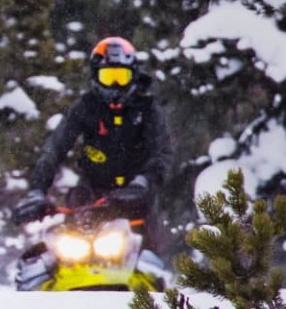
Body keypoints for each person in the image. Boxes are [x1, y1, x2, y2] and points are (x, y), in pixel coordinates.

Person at [14, 36, 173, 247]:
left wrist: (145, 180)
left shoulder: (147, 110)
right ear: (96, 78)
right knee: (61, 249)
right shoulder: (86, 107)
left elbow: (163, 152)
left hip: (137, 198)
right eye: (109, 77)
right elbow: (55, 149)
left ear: (133, 77)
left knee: (150, 255)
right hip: (91, 197)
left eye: (121, 77)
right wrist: (37, 191)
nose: (115, 86)